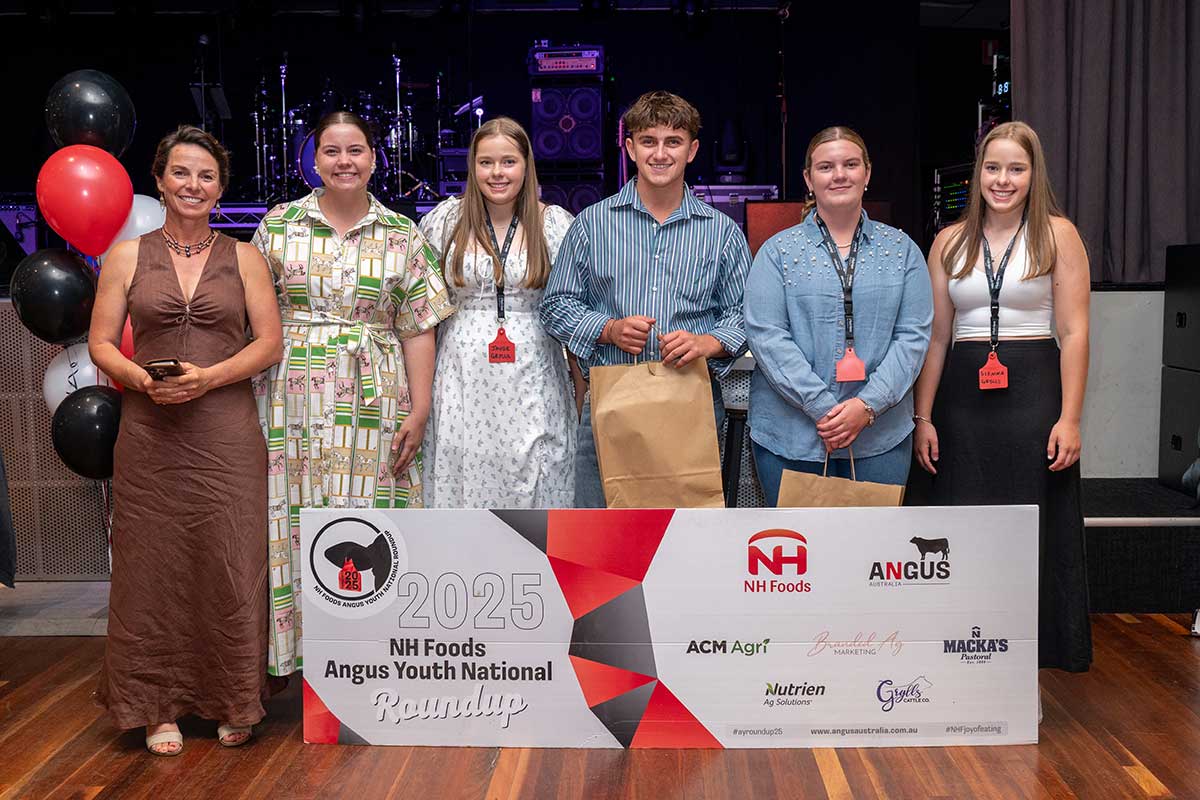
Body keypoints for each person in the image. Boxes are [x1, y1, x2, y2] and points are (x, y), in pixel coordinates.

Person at [88, 125, 284, 755]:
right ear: (160, 180)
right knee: (151, 565)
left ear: (220, 189)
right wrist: (141, 379)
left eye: (206, 176)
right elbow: (100, 344)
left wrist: (209, 379)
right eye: (181, 172)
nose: (193, 185)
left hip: (226, 433)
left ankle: (233, 698)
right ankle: (156, 706)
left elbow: (269, 343)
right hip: (150, 432)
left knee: (230, 559)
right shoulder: (126, 257)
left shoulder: (246, 258)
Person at [252, 111, 454, 678]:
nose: (345, 162)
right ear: (314, 159)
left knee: (373, 515)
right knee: (294, 514)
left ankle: (374, 658)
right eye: (332, 151)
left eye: (356, 150)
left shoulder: (402, 233)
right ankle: (303, 661)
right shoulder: (278, 226)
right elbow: (253, 317)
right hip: (291, 397)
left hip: (377, 396)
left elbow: (417, 326)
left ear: (373, 158)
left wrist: (420, 408)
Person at [912, 121, 1092, 674]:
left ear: (1034, 175)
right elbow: (936, 338)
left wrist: (1070, 419)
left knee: (1030, 530)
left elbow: (1075, 333)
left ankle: (1025, 670)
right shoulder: (949, 241)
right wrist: (923, 417)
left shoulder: (1058, 235)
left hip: (1033, 399)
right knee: (961, 525)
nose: (1003, 180)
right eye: (993, 168)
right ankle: (957, 663)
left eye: (1016, 168)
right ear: (978, 174)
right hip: (961, 405)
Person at [540, 90, 752, 508]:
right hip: (611, 402)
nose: (660, 153)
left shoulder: (722, 232)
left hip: (690, 401)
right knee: (602, 539)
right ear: (630, 147)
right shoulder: (592, 224)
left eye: (673, 142)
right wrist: (608, 329)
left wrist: (708, 342)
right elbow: (556, 305)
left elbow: (746, 314)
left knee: (687, 536)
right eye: (648, 141)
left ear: (692, 150)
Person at [745, 127, 933, 506]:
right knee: (798, 544)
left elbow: (913, 337)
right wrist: (824, 409)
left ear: (867, 173)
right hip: (791, 438)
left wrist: (866, 407)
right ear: (808, 179)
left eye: (850, 164)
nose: (839, 175)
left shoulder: (903, 251)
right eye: (826, 167)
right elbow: (767, 336)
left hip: (880, 437)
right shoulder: (777, 252)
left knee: (873, 543)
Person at [418, 117, 578, 508]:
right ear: (472, 166)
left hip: (535, 373)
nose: (497, 173)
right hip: (461, 373)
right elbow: (421, 310)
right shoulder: (445, 222)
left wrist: (583, 391)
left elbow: (573, 310)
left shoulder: (555, 224)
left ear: (526, 165)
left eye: (508, 162)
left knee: (538, 471)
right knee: (463, 468)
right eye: (486, 162)